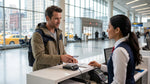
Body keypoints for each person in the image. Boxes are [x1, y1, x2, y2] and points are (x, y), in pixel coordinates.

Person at [89, 15, 142, 84]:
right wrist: (99, 66)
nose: (107, 30)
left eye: (109, 27)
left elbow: (118, 82)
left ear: (117, 30)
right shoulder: (127, 45)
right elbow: (116, 70)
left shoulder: (119, 51)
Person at [31, 5, 78, 71]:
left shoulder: (59, 33)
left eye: (60, 18)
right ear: (47, 18)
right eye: (56, 19)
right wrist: (60, 58)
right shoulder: (38, 35)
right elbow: (39, 57)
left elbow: (62, 52)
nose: (59, 21)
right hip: (42, 72)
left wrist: (68, 58)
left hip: (56, 70)